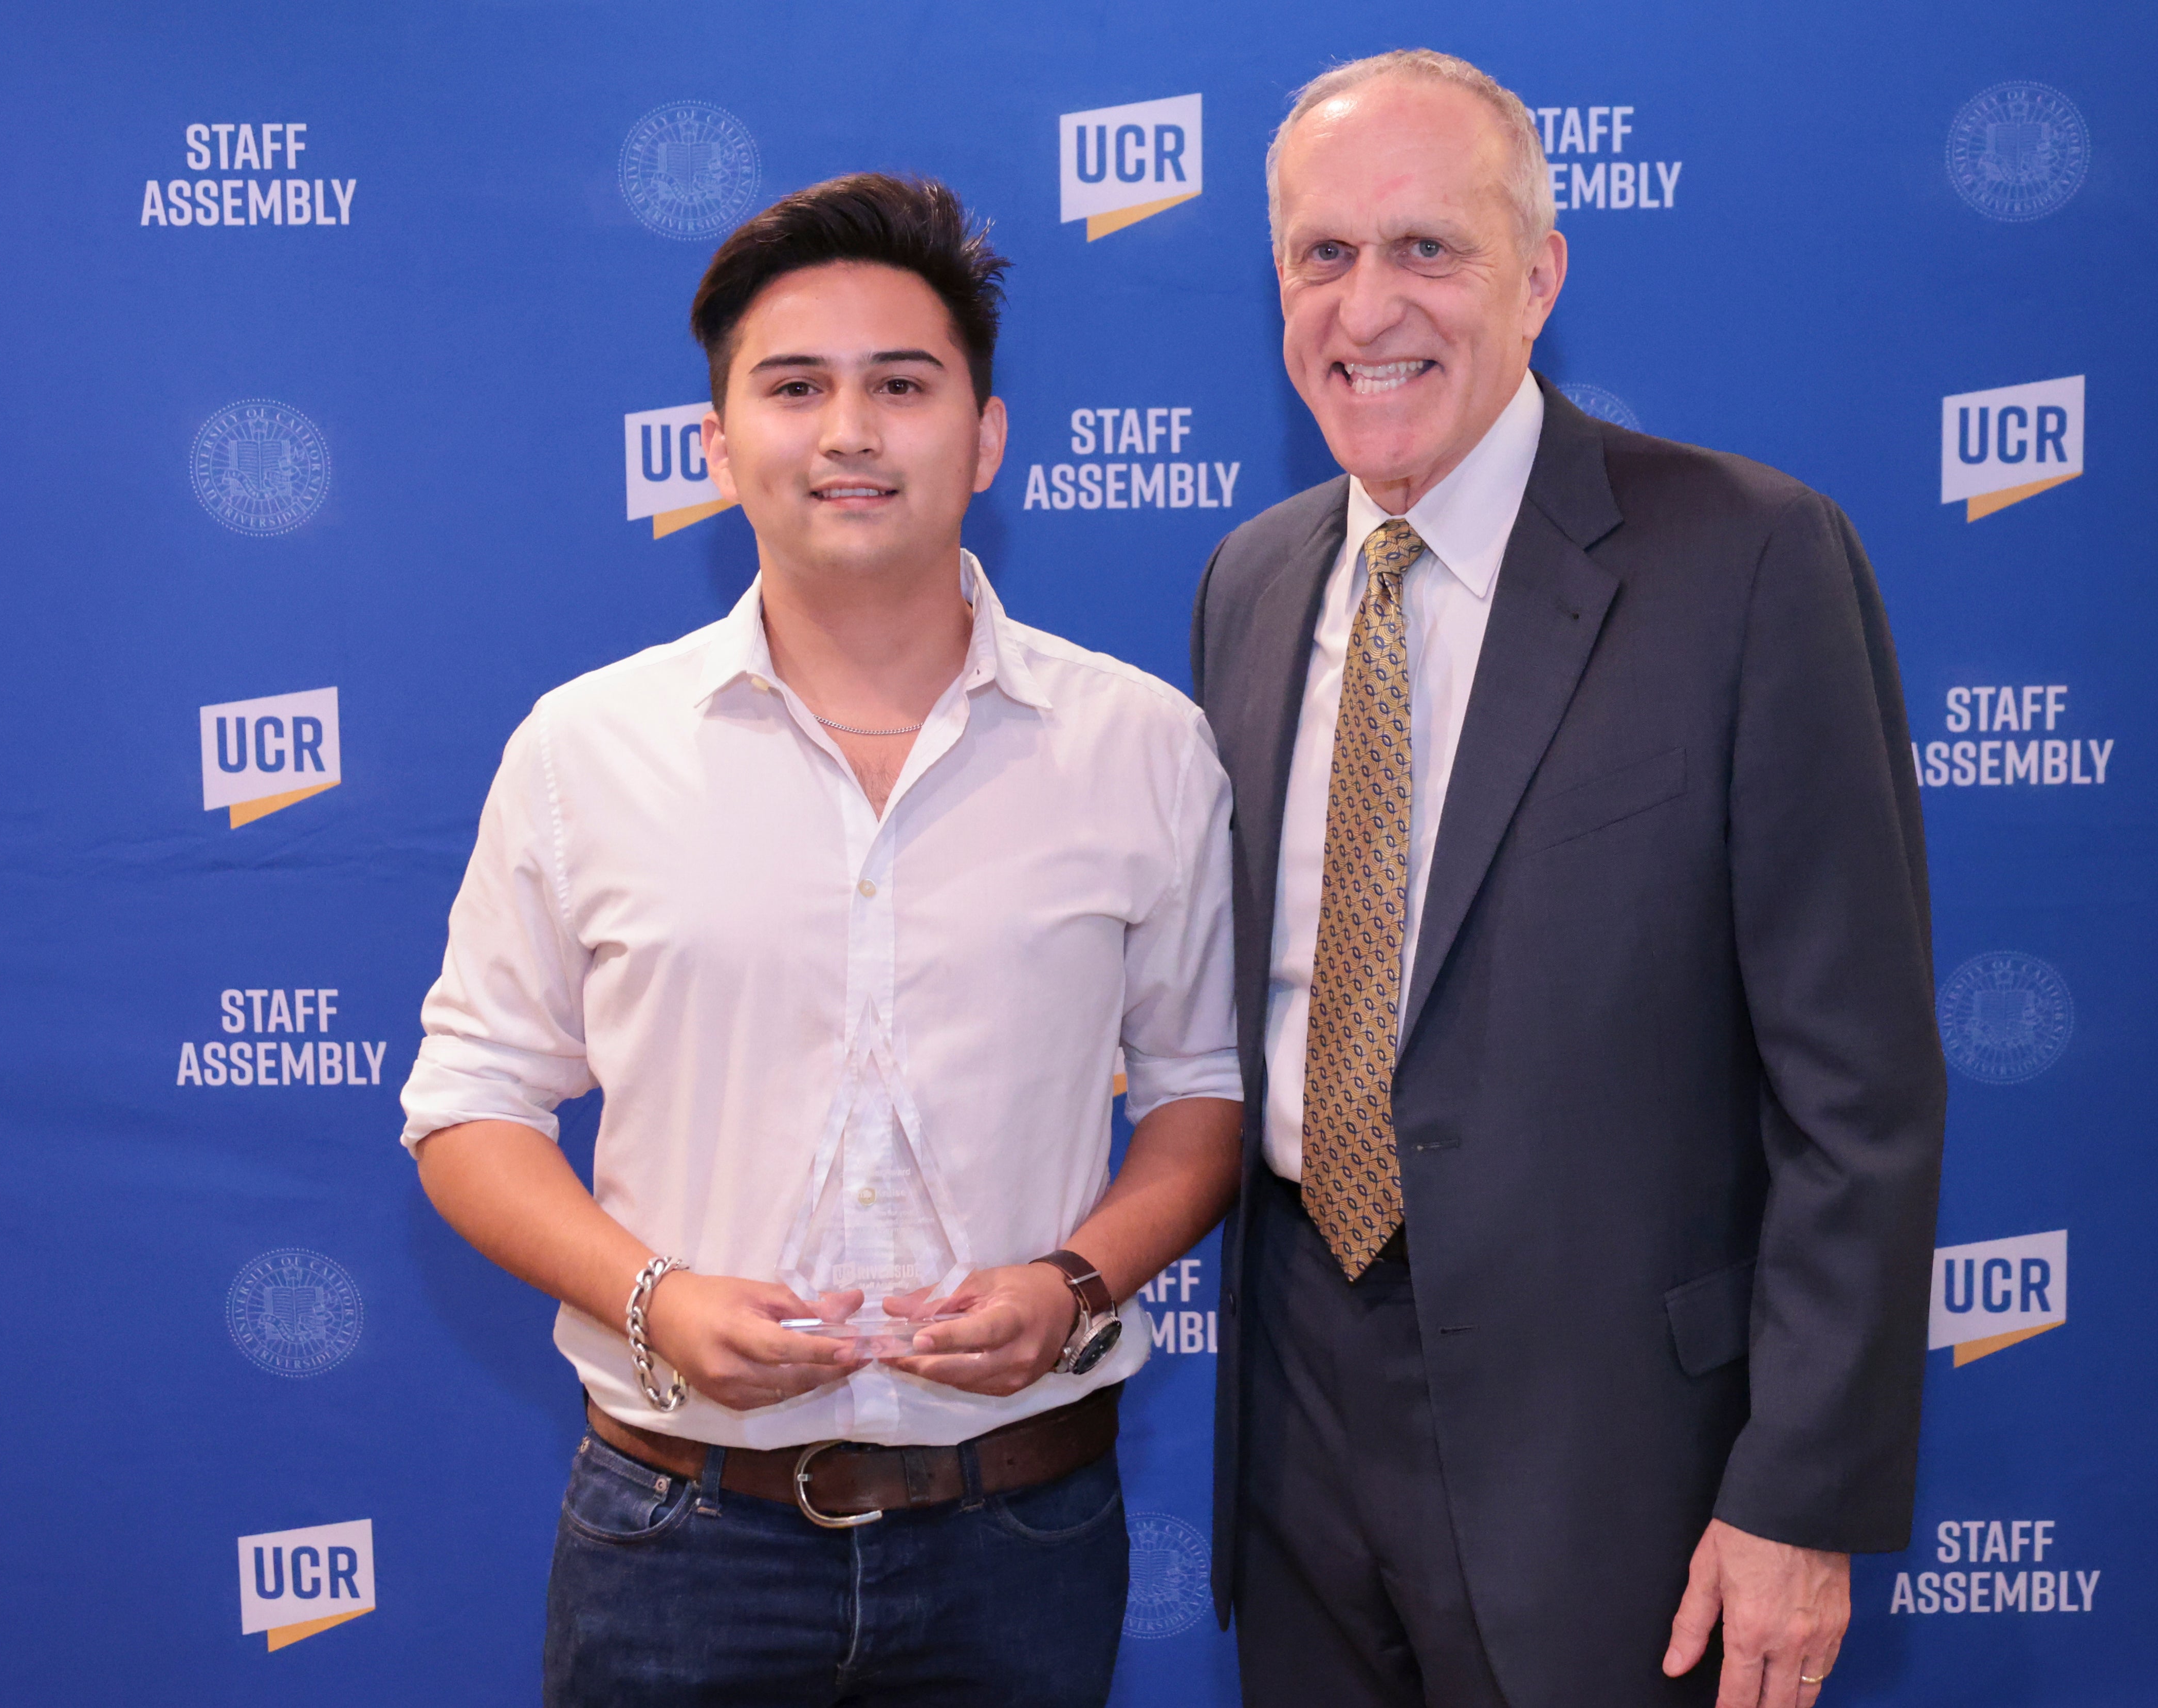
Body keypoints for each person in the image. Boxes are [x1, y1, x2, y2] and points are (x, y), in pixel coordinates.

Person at [401, 172, 1243, 1708]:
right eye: (794, 388)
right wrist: (654, 1295)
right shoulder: (585, 749)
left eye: (901, 385)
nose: (848, 432)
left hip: (1024, 1532)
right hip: (674, 1532)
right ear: (717, 449)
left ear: (984, 438)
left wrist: (1071, 1279)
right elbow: (467, 1109)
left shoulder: (1140, 745)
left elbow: (1197, 1096)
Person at [1190, 50, 1946, 1708]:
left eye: (1425, 250)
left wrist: (1794, 1496)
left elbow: (1860, 1091)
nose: (1365, 303)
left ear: (1537, 277)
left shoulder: (1751, 560)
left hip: (1624, 1466)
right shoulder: (1248, 581)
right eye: (1323, 255)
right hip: (1299, 1426)